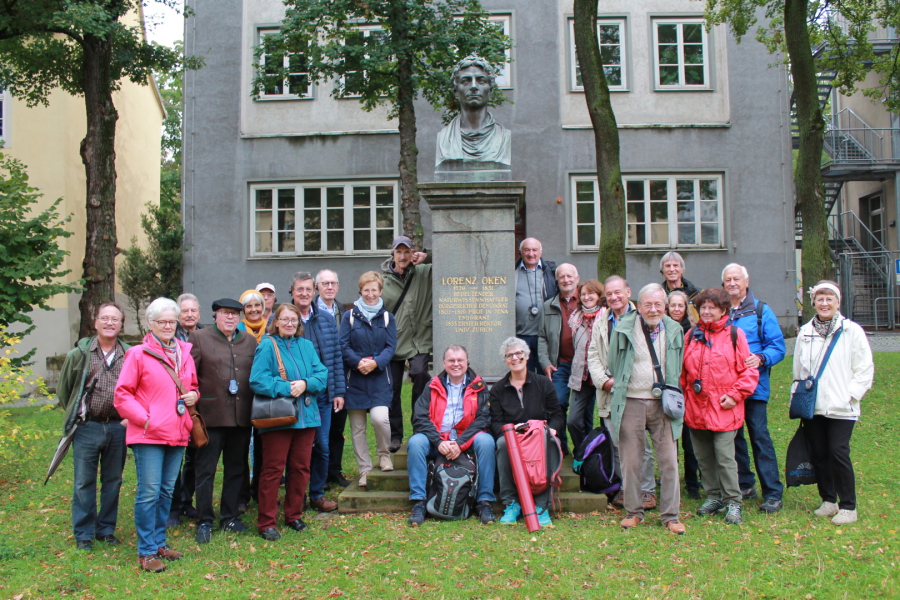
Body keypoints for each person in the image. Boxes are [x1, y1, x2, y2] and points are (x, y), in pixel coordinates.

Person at [114, 297, 199, 572]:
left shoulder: (184, 352)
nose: (167, 326)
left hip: (177, 431)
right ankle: (147, 551)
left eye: (171, 321)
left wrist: (194, 395)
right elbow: (122, 394)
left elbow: (193, 386)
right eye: (161, 322)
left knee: (166, 491)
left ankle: (160, 542)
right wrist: (145, 419)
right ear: (150, 324)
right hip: (148, 434)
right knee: (149, 492)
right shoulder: (137, 354)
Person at [607, 283, 686, 535]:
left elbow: (678, 365)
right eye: (648, 305)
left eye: (658, 304)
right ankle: (633, 511)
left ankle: (671, 516)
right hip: (631, 400)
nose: (653, 309)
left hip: (663, 403)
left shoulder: (675, 329)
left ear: (665, 306)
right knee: (631, 461)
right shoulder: (623, 328)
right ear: (639, 306)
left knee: (669, 461)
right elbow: (613, 363)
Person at [793, 281, 873, 525]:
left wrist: (851, 395)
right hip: (814, 404)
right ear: (813, 303)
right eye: (820, 299)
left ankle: (848, 506)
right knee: (819, 453)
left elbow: (864, 367)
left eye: (830, 299)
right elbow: (798, 369)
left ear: (838, 303)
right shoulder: (805, 332)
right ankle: (829, 499)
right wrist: (798, 396)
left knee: (838, 451)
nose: (825, 303)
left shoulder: (851, 331)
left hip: (842, 406)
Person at [249, 303, 328, 540]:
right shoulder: (267, 345)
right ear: (276, 322)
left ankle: (293, 515)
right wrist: (288, 388)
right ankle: (267, 522)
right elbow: (257, 379)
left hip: (307, 417)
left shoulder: (306, 345)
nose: (290, 324)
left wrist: (306, 384)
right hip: (279, 418)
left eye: (293, 320)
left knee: (301, 468)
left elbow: (322, 375)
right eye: (285, 319)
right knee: (273, 470)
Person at [681, 288, 759, 525]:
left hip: (724, 406)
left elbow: (749, 371)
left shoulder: (735, 335)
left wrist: (735, 396)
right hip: (696, 406)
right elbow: (683, 372)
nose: (706, 311)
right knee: (703, 457)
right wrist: (683, 397)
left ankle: (733, 501)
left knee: (725, 458)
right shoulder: (691, 334)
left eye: (711, 308)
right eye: (703, 307)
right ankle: (713, 496)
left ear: (723, 310)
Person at [58, 302, 130, 551]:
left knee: (113, 481)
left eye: (115, 319)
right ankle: (84, 534)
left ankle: (106, 529)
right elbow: (65, 391)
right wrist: (78, 414)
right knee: (83, 482)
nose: (110, 323)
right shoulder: (79, 354)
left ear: (121, 324)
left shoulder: (130, 354)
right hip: (87, 427)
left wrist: (127, 418)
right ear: (96, 322)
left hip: (118, 427)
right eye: (105, 318)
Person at [189, 298, 257, 544]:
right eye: (225, 313)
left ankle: (229, 516)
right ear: (215, 315)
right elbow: (190, 375)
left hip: (241, 417)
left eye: (234, 314)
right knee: (205, 470)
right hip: (211, 417)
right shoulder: (199, 338)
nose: (230, 318)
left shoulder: (249, 340)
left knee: (236, 469)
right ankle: (204, 519)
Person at [587, 276, 658, 510]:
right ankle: (627, 489)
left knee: (640, 445)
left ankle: (646, 490)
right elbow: (593, 355)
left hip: (636, 393)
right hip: (610, 394)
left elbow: (647, 355)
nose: (614, 297)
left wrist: (626, 381)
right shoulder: (601, 321)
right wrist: (604, 382)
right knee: (617, 444)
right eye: (609, 294)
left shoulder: (641, 318)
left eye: (618, 292)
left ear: (628, 292)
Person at [722, 263, 787, 513]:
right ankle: (745, 485)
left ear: (746, 282)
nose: (732, 283)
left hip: (754, 388)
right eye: (728, 280)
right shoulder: (721, 311)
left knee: (760, 437)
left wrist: (761, 358)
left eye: (736, 279)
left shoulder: (761, 311)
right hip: (728, 389)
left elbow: (777, 347)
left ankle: (772, 492)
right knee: (734, 438)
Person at [407, 345, 495, 526]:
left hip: (466, 438)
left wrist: (460, 443)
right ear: (444, 363)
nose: (456, 364)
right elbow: (419, 417)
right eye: (451, 360)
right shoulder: (431, 385)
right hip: (437, 438)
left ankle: (484, 501)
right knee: (416, 442)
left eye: (460, 360)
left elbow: (483, 419)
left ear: (467, 362)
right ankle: (419, 501)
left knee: (486, 441)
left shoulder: (479, 386)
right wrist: (438, 441)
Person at [490, 337, 564, 527]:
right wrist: (511, 431)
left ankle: (542, 505)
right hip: (513, 437)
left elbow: (557, 414)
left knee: (550, 441)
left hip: (539, 435)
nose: (515, 358)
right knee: (502, 444)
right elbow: (495, 422)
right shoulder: (498, 389)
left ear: (527, 356)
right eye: (509, 355)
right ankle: (511, 503)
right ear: (505, 360)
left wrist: (552, 430)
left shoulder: (543, 383)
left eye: (519, 353)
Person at [290, 271, 345, 512]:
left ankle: (317, 493)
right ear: (292, 292)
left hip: (322, 396)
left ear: (314, 291)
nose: (304, 294)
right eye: (299, 289)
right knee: (298, 450)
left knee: (322, 446)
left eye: (308, 289)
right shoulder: (286, 318)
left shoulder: (325, 319)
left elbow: (335, 358)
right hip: (295, 396)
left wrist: (338, 391)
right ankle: (297, 496)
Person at [340, 271, 398, 488]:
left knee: (380, 419)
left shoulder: (388, 318)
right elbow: (343, 345)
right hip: (355, 379)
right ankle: (364, 469)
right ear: (361, 291)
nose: (370, 294)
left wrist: (375, 363)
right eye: (366, 290)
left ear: (380, 291)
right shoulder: (349, 316)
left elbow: (391, 347)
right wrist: (358, 363)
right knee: (357, 428)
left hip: (379, 378)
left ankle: (384, 455)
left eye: (374, 290)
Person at [381, 236, 432, 452]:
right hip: (394, 341)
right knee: (392, 388)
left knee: (420, 374)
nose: (403, 256)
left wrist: (428, 256)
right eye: (398, 252)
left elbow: (450, 259)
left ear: (413, 253)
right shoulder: (382, 280)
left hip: (420, 340)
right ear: (392, 254)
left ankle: (419, 427)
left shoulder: (423, 272)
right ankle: (395, 436)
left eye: (406, 252)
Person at [435, 55, 511, 169]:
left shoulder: (503, 137)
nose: (474, 86)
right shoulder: (444, 139)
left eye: (481, 81)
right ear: (456, 91)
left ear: (490, 90)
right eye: (466, 81)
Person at [537, 263, 582, 454]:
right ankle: (561, 447)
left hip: (583, 366)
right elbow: (542, 337)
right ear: (556, 280)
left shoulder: (586, 302)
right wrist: (545, 363)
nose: (566, 280)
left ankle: (584, 450)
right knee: (558, 403)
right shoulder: (549, 305)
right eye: (562, 277)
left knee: (583, 413)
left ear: (577, 279)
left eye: (570, 276)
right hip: (560, 365)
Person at [314, 269, 351, 488]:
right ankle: (318, 474)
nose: (329, 287)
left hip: (340, 376)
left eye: (333, 283)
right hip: (318, 379)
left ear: (337, 286)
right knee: (318, 432)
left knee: (337, 428)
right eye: (325, 283)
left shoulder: (344, 311)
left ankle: (334, 471)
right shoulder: (311, 312)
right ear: (317, 287)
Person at [169, 293, 202, 525]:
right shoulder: (169, 336)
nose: (189, 315)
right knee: (174, 458)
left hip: (197, 405)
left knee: (194, 457)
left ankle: (186, 501)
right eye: (185, 311)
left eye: (193, 310)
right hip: (173, 406)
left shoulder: (205, 335)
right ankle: (173, 506)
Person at [668, 290, 701, 499]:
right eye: (673, 305)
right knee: (670, 439)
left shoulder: (694, 331)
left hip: (687, 389)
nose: (677, 309)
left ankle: (692, 483)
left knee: (690, 441)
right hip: (669, 388)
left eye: (680, 305)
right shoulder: (661, 329)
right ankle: (670, 479)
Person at [565, 279, 604, 455]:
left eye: (591, 293)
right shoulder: (576, 318)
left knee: (606, 423)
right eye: (583, 294)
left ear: (599, 295)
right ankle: (583, 454)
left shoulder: (607, 316)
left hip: (603, 377)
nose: (587, 297)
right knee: (573, 421)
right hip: (582, 376)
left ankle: (604, 456)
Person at [515, 237, 558, 373]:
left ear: (541, 252)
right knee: (522, 375)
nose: (531, 254)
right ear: (520, 252)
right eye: (527, 250)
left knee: (544, 376)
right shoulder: (512, 272)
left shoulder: (551, 271)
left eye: (534, 250)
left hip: (544, 337)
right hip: (520, 335)